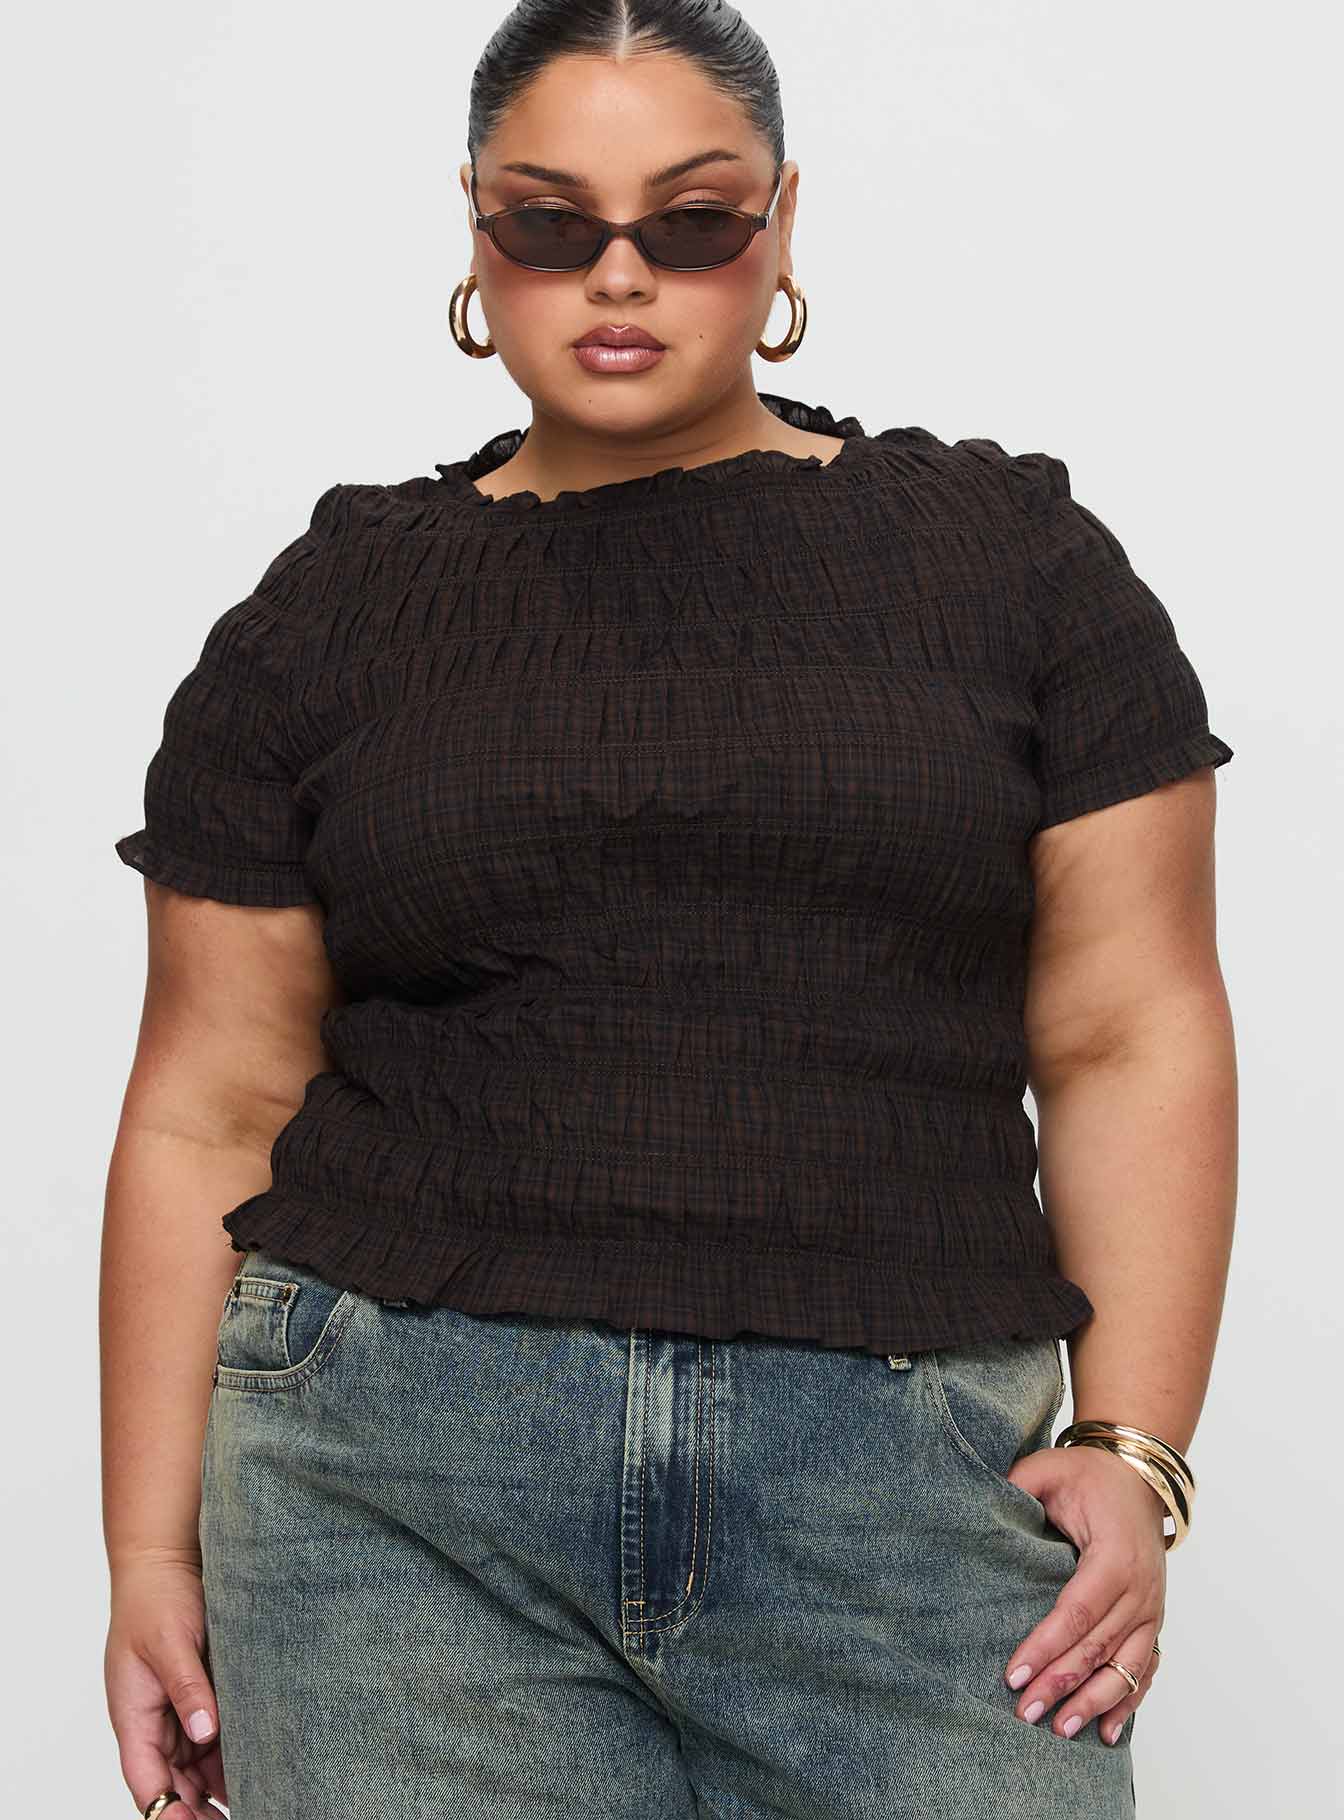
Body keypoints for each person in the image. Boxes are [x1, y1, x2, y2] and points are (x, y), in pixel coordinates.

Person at [102, 3, 1236, 1816]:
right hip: (393, 1504)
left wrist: (1135, 1444)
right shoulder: (323, 618)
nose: (617, 275)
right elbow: (206, 1104)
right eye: (551, 222)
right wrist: (151, 1554)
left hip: (902, 1496)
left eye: (691, 223)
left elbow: (1129, 1028)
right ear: (476, 229)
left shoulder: (1018, 569)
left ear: (781, 226)